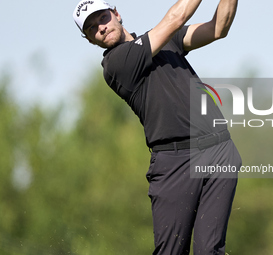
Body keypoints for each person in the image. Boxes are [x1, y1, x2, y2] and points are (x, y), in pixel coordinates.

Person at [73, 0, 242, 254]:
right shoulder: (116, 63)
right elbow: (175, 18)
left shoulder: (162, 41)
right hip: (174, 164)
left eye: (102, 17)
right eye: (91, 28)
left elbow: (218, 29)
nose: (101, 27)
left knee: (210, 250)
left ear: (116, 13)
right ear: (89, 40)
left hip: (218, 149)